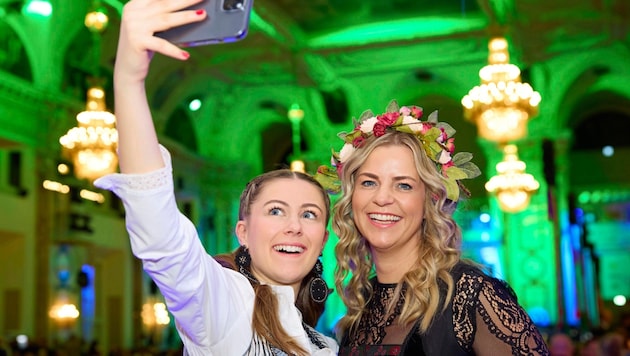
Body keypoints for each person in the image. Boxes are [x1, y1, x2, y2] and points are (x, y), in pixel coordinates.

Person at [94, 0, 338, 354]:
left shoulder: (326, 345)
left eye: (309, 214)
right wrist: (129, 79)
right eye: (274, 210)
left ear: (322, 239)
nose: (294, 226)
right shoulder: (224, 305)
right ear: (243, 232)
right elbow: (160, 234)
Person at [315, 100, 550, 355]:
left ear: (430, 200)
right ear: (351, 197)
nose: (382, 198)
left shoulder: (469, 295)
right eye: (369, 183)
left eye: (403, 185)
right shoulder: (360, 308)